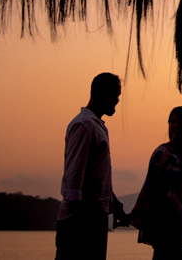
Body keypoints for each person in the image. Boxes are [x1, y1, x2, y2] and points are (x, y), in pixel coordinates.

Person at [55, 73, 129, 260]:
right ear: (106, 93)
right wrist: (75, 222)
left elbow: (95, 174)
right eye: (116, 95)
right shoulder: (84, 125)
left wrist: (113, 202)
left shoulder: (98, 127)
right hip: (83, 218)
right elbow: (75, 175)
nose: (118, 101)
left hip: (95, 215)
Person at [127, 106, 182, 260]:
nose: (175, 126)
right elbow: (148, 186)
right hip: (163, 221)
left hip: (178, 223)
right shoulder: (162, 152)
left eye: (180, 122)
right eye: (173, 122)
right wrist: (133, 215)